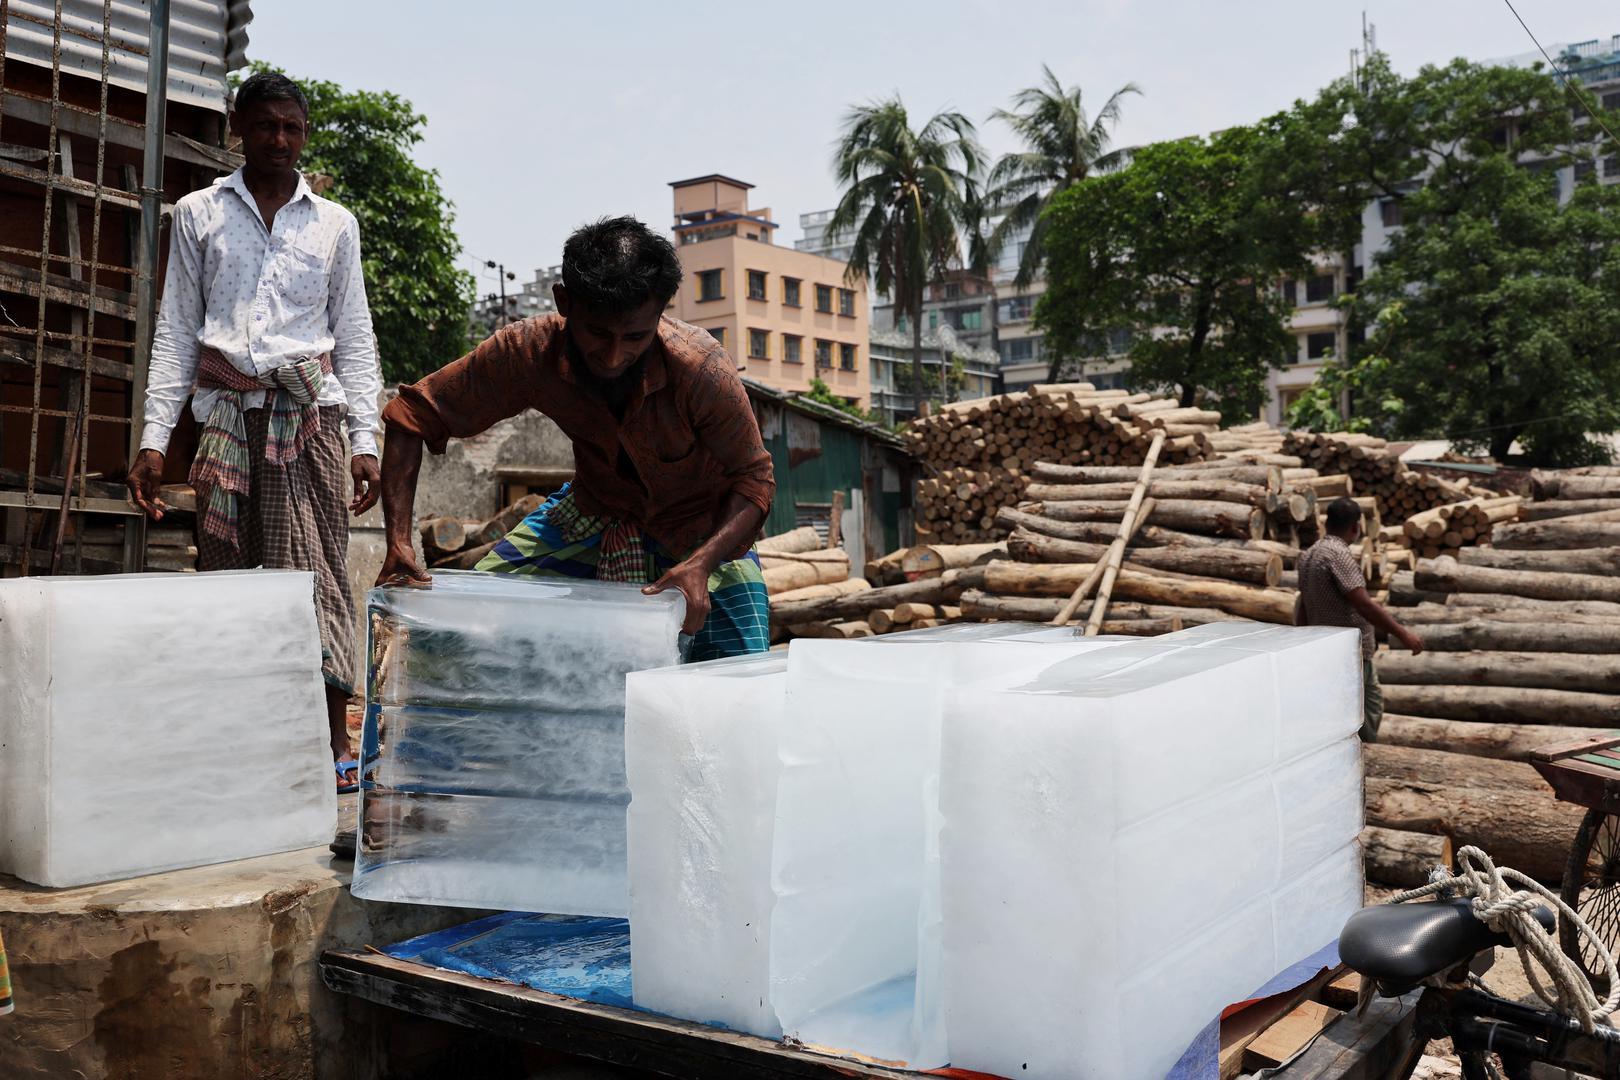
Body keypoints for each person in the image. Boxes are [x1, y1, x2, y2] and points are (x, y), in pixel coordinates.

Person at [127, 71, 383, 791]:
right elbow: (176, 332)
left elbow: (354, 338)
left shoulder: (334, 223)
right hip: (224, 421)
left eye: (292, 128)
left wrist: (365, 441)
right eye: (266, 125)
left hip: (311, 419)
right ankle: (240, 737)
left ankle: (335, 740)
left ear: (305, 135)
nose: (280, 140)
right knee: (228, 578)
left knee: (319, 576)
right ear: (237, 128)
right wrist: (154, 438)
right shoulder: (198, 214)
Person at [376, 216, 774, 661]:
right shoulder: (526, 352)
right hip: (594, 509)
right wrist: (399, 544)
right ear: (564, 302)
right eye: (598, 334)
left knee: (741, 676)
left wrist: (701, 565)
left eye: (635, 337)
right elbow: (409, 416)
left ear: (659, 313)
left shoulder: (701, 368)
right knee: (459, 630)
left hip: (704, 531)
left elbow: (755, 481)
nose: (614, 355)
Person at [1295, 496, 1424, 741]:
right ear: (1356, 526)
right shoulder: (1338, 555)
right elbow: (1363, 603)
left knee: (1342, 708)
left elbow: (1303, 605)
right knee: (1364, 711)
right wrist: (1403, 634)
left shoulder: (1309, 555)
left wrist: (1301, 641)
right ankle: (1364, 759)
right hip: (1349, 651)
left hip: (1323, 647)